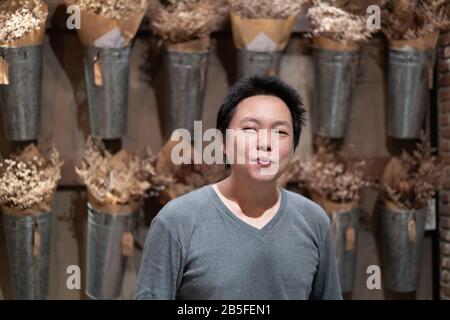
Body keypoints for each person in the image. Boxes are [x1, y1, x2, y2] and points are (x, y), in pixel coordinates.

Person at [134, 76, 342, 300]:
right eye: (250, 129)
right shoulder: (177, 222)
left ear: (292, 147)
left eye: (280, 132)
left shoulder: (313, 221)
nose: (265, 143)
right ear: (223, 143)